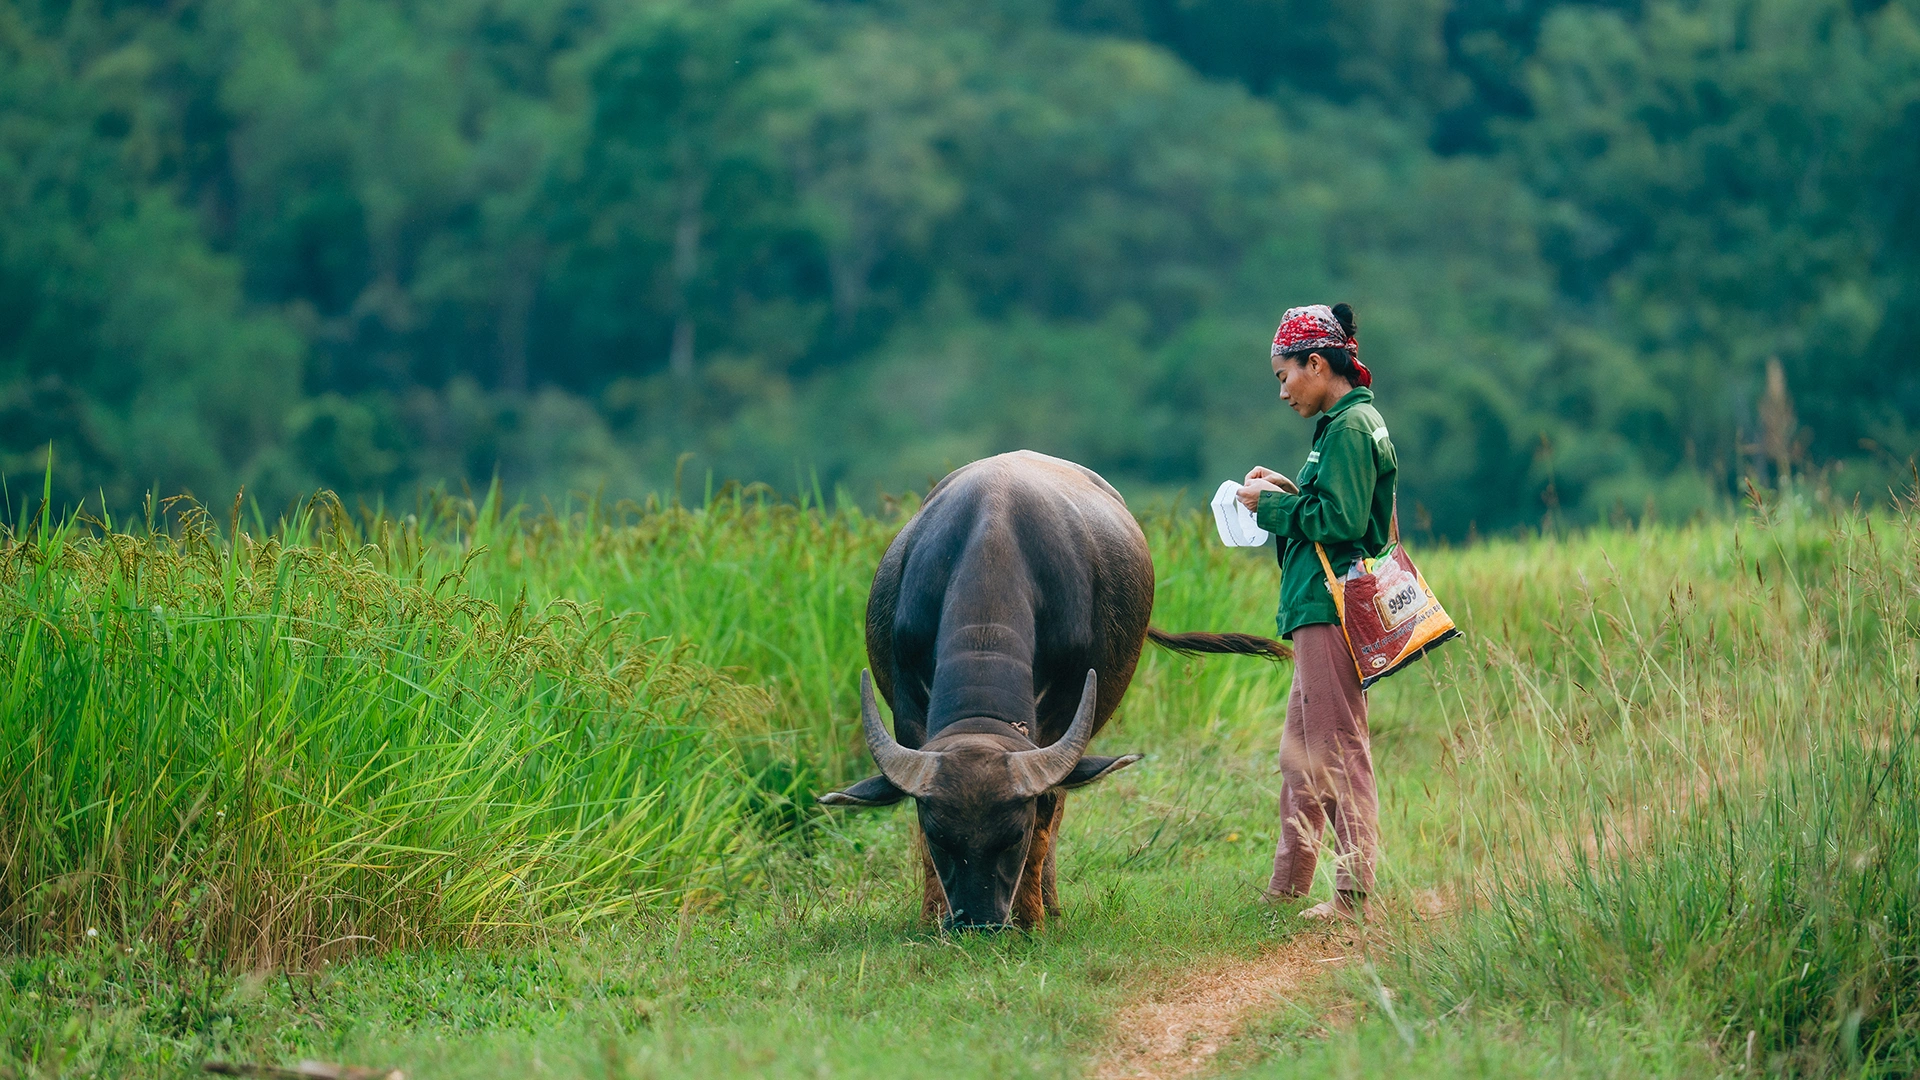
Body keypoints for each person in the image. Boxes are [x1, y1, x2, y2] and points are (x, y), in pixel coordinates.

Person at [1236, 302, 1396, 922]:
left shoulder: (1351, 427)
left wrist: (1270, 510)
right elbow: (1334, 506)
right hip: (1317, 605)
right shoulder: (1345, 425)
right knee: (1300, 753)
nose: (1282, 391)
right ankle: (1287, 887)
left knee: (1336, 747)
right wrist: (1286, 490)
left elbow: (1343, 522)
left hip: (1331, 607)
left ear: (1317, 362)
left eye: (1284, 375)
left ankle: (1354, 895)